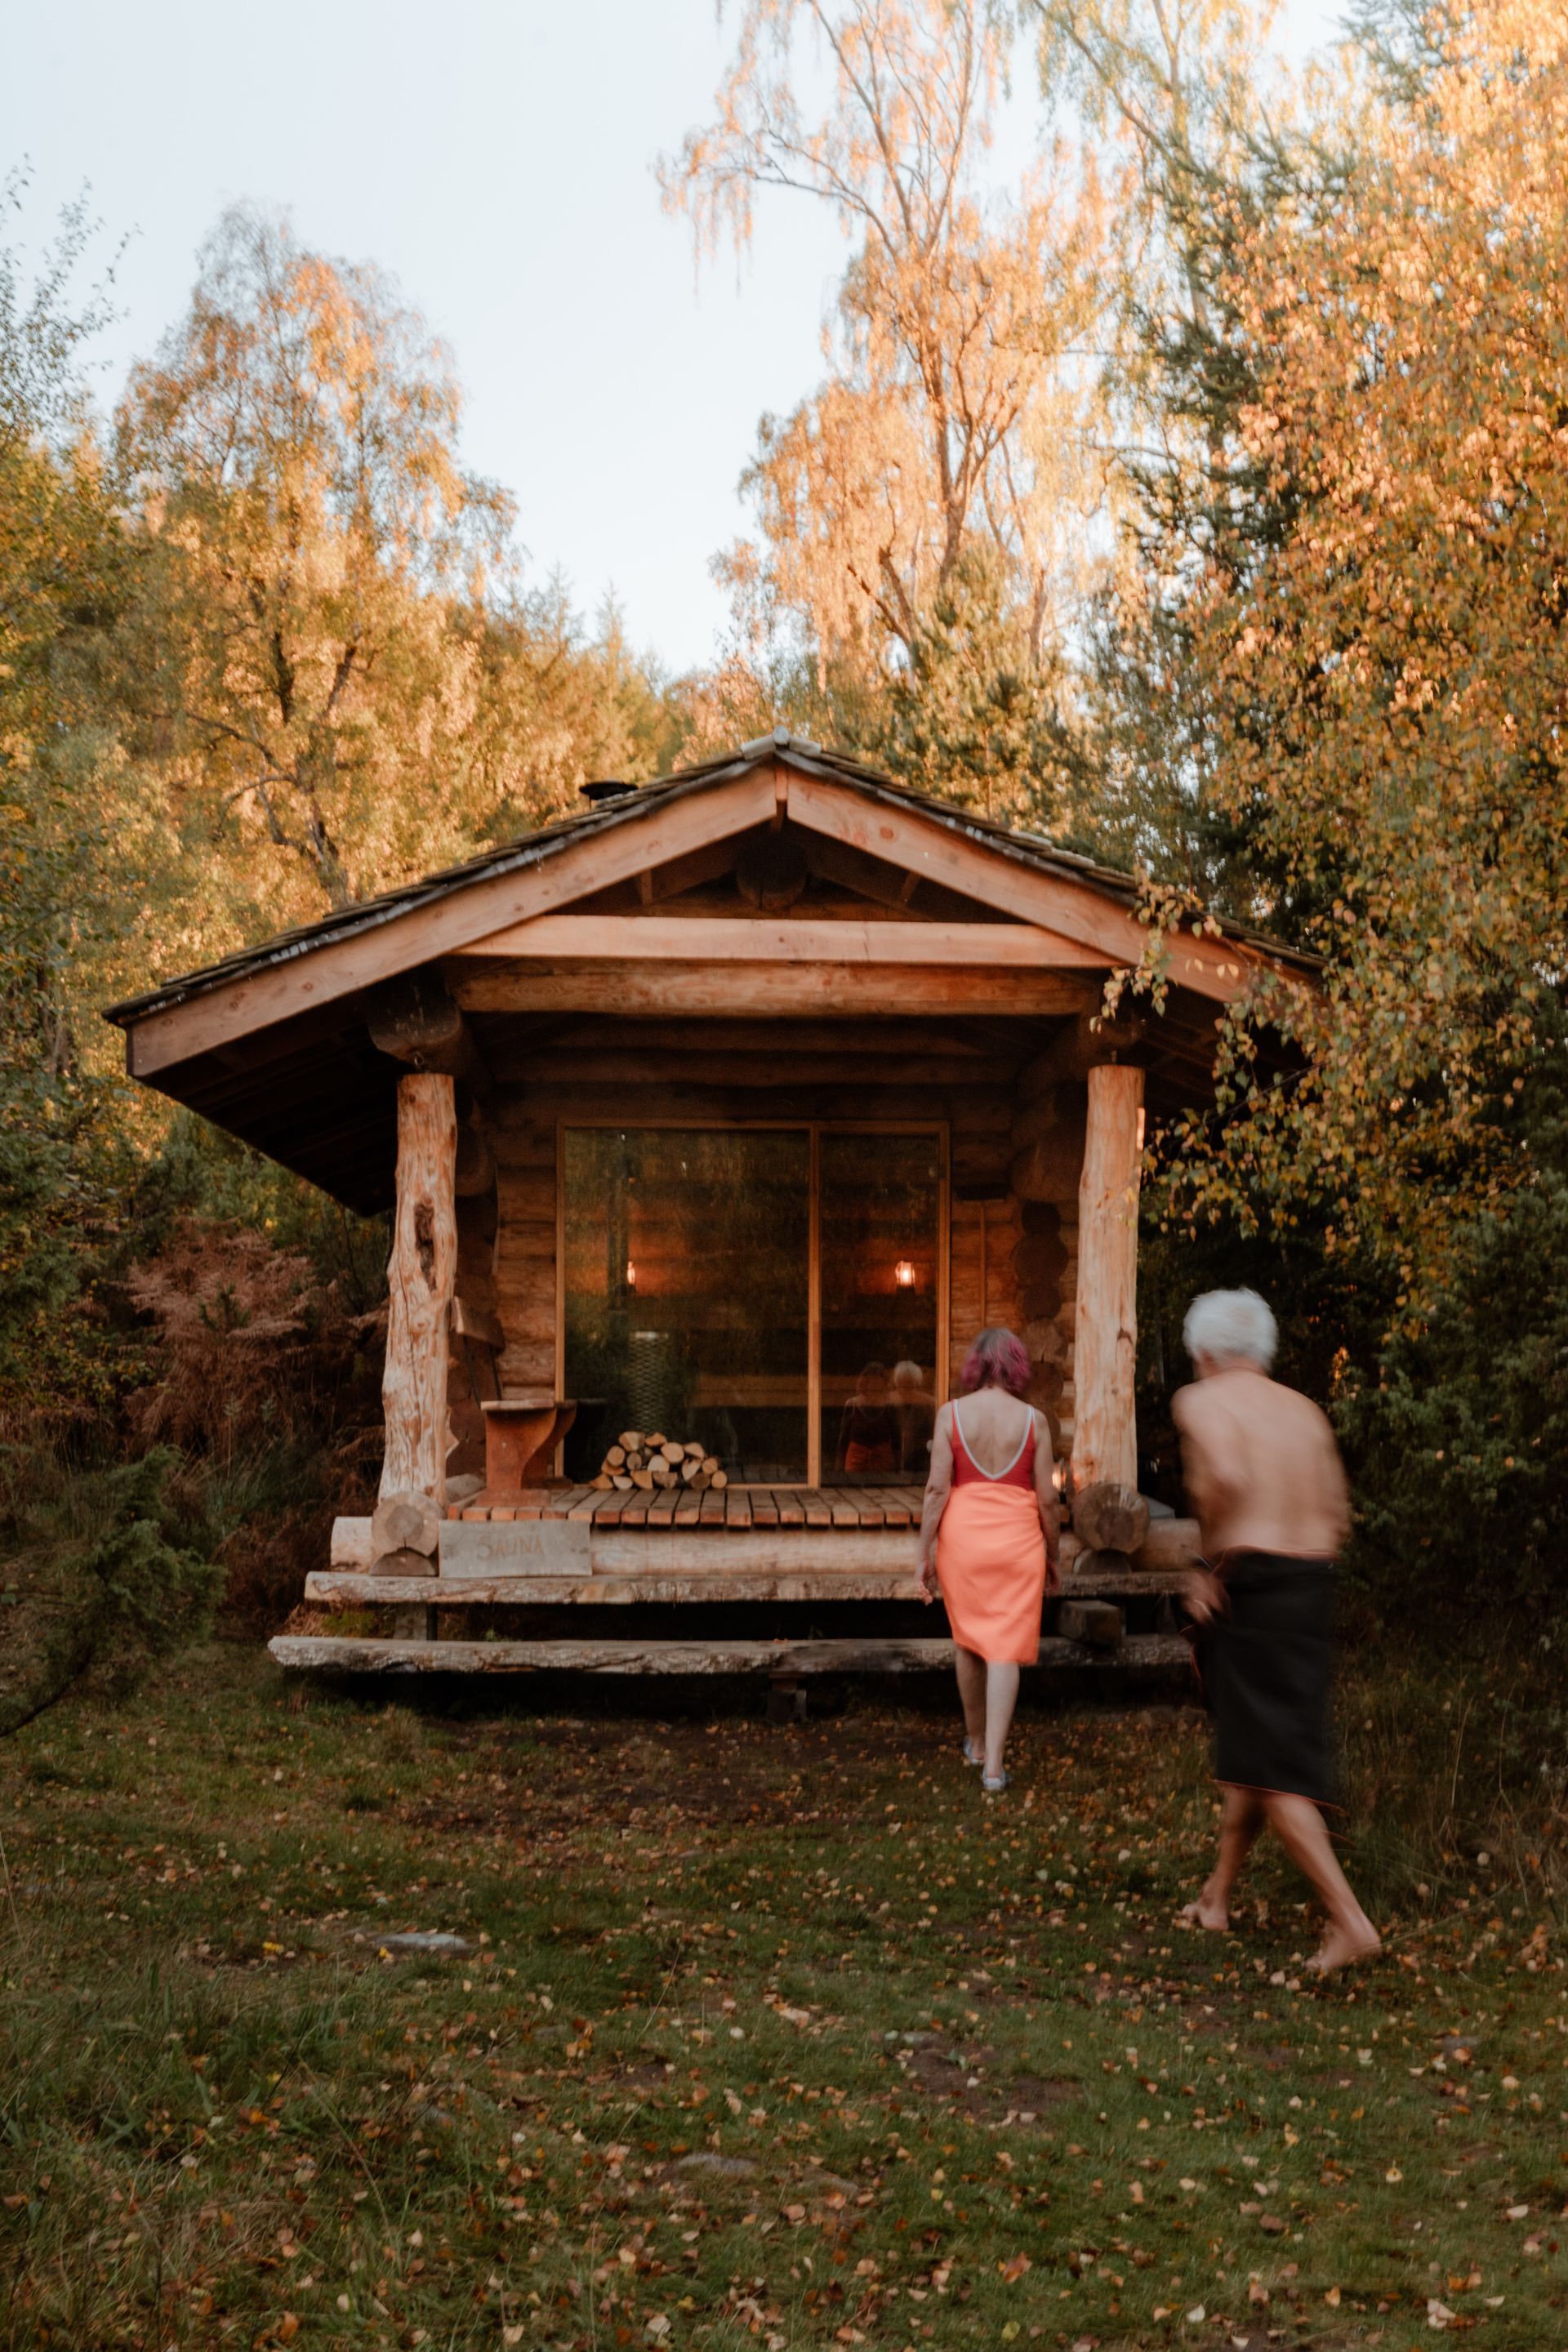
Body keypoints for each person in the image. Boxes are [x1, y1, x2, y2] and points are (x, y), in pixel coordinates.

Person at [1174, 1287, 1380, 1975]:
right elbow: (1339, 1513)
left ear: (1203, 1352)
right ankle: (1216, 1898)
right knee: (1260, 1751)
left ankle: (1351, 1923)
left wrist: (1208, 1566)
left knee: (1275, 1770)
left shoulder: (1202, 1401)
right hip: (1312, 1584)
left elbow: (1223, 1479)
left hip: (1254, 1581)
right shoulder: (1307, 1411)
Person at [915, 1327, 1058, 1793]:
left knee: (968, 1641)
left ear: (976, 1365)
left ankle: (975, 1742)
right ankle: (993, 1767)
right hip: (1018, 1545)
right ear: (1016, 1365)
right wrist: (1053, 1555)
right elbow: (1048, 1501)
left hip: (965, 1545)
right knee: (1005, 1649)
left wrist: (925, 1553)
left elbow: (937, 1489)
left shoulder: (950, 1414)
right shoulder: (1035, 1421)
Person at [838, 1361, 898, 1474]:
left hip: (884, 1466)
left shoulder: (890, 1406)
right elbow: (843, 1440)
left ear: (884, 1382)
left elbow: (897, 1441)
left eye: (878, 1378)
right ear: (863, 1381)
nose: (874, 1383)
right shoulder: (852, 1404)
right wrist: (839, 1470)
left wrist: (900, 1469)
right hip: (855, 1464)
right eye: (870, 1378)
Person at [892, 1359, 937, 1477]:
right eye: (902, 1386)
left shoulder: (930, 1403)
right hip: (891, 1466)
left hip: (923, 1464)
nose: (906, 1392)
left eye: (910, 1387)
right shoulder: (889, 1401)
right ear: (896, 1383)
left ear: (917, 1384)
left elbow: (935, 1435)